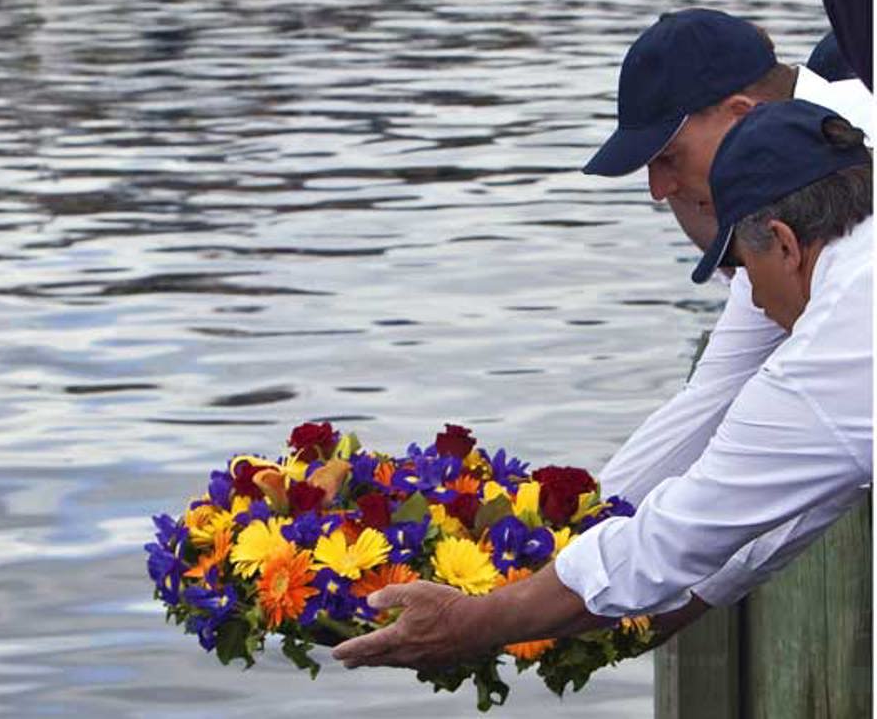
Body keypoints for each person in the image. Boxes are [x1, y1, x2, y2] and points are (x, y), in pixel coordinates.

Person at [332, 99, 872, 668]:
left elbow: (674, 539)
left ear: (785, 244)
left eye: (743, 267)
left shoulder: (832, 344)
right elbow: (817, 480)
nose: (757, 301)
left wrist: (471, 621)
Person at [581, 8, 871, 624]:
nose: (658, 189)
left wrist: (536, 603)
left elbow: (812, 442)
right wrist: (552, 536)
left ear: (742, 114)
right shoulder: (784, 188)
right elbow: (709, 401)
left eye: (667, 157)